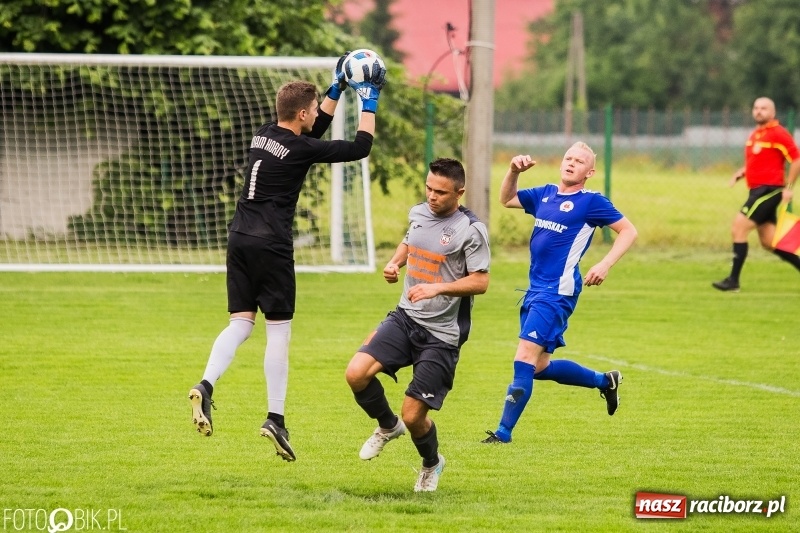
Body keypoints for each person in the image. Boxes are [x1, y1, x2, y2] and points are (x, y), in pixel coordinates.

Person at [188, 54, 386, 463]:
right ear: (300, 113)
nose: (318, 114)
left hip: (239, 238)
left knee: (240, 325)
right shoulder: (298, 147)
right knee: (278, 332)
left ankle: (206, 386)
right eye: (312, 109)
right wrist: (368, 99)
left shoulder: (265, 134)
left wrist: (335, 89)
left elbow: (314, 131)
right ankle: (275, 417)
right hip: (271, 245)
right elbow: (360, 147)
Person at [345, 158, 490, 492]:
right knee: (356, 373)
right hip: (406, 315)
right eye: (428, 188)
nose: (432, 196)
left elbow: (480, 282)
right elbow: (410, 243)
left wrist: (438, 287)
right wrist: (395, 262)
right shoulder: (419, 213)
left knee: (413, 416)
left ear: (459, 192)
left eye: (440, 191)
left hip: (441, 334)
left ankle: (431, 464)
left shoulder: (471, 229)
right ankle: (386, 426)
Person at [482, 142, 637, 445]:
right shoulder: (545, 194)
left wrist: (604, 264)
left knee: (523, 357)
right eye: (568, 158)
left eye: (579, 161)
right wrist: (513, 171)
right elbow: (507, 199)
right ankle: (604, 381)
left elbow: (629, 231)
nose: (571, 163)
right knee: (537, 367)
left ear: (589, 172)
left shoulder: (591, 201)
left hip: (556, 292)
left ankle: (503, 433)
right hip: (535, 289)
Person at [712, 97, 800, 292]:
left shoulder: (779, 133)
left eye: (764, 108)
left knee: (738, 228)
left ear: (773, 112)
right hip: (757, 190)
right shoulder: (756, 134)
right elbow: (760, 161)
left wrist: (789, 188)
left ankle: (733, 281)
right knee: (769, 242)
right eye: (756, 108)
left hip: (768, 191)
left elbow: (796, 159)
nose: (759, 111)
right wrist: (742, 172)